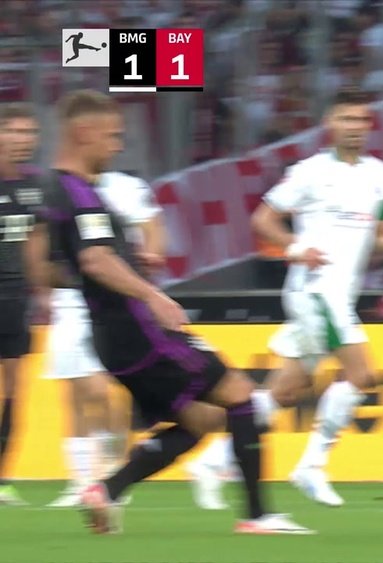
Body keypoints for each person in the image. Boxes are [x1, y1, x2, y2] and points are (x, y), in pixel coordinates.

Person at [26, 90, 311, 534]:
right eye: (112, 136)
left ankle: (108, 489)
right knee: (240, 396)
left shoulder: (52, 191)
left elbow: (41, 267)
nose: (118, 145)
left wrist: (94, 281)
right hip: (140, 328)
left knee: (203, 419)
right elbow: (96, 260)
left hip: (111, 339)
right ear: (84, 133)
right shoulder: (79, 193)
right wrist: (151, 294)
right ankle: (257, 516)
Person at [186, 87, 383, 509]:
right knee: (362, 375)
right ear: (329, 124)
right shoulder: (308, 172)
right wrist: (296, 249)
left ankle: (213, 461)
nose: (356, 127)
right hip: (315, 291)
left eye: (363, 120)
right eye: (347, 119)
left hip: (340, 294)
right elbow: (263, 219)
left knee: (284, 392)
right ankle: (311, 466)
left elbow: (382, 236)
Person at [44, 170, 165, 508]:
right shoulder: (57, 189)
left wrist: (151, 258)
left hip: (110, 302)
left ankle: (112, 476)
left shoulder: (124, 187)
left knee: (105, 391)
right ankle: (81, 481)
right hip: (68, 301)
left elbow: (153, 224)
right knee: (76, 392)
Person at [0, 102, 44, 506]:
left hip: (16, 301)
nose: (22, 140)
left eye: (29, 133)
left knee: (14, 392)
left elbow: (37, 247)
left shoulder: (34, 190)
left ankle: (1, 478)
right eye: (14, 131)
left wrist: (43, 293)